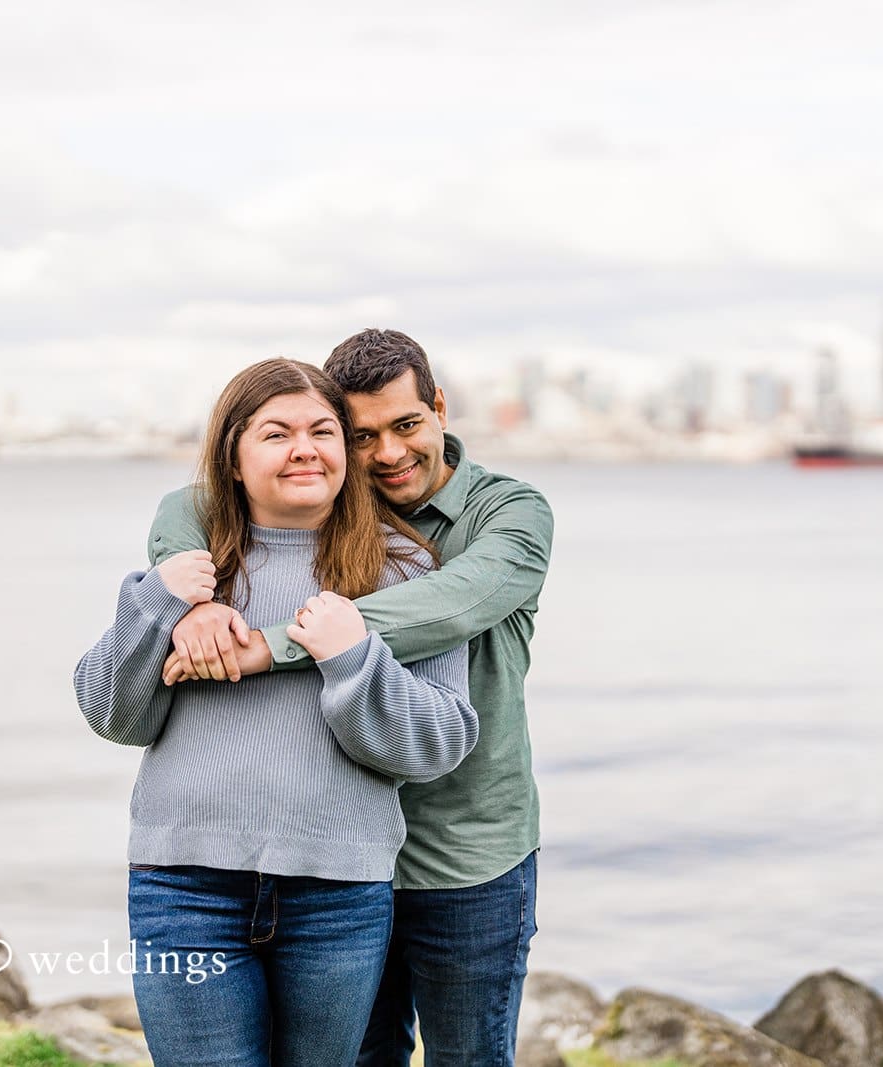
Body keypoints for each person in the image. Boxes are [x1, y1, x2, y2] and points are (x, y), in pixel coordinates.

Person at [147, 330, 553, 1066]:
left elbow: (448, 603)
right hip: (339, 861)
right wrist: (186, 583)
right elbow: (193, 500)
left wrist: (274, 643)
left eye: (406, 425)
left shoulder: (510, 515)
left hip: (462, 852)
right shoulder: (337, 496)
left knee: (469, 1056)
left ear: (439, 407)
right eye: (361, 435)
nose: (389, 453)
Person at [74, 357, 479, 1067]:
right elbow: (115, 715)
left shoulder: (408, 571)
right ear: (231, 456)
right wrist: (158, 603)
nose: (304, 448)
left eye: (324, 430)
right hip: (184, 888)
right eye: (276, 432)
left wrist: (353, 658)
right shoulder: (186, 576)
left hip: (339, 896)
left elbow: (440, 743)